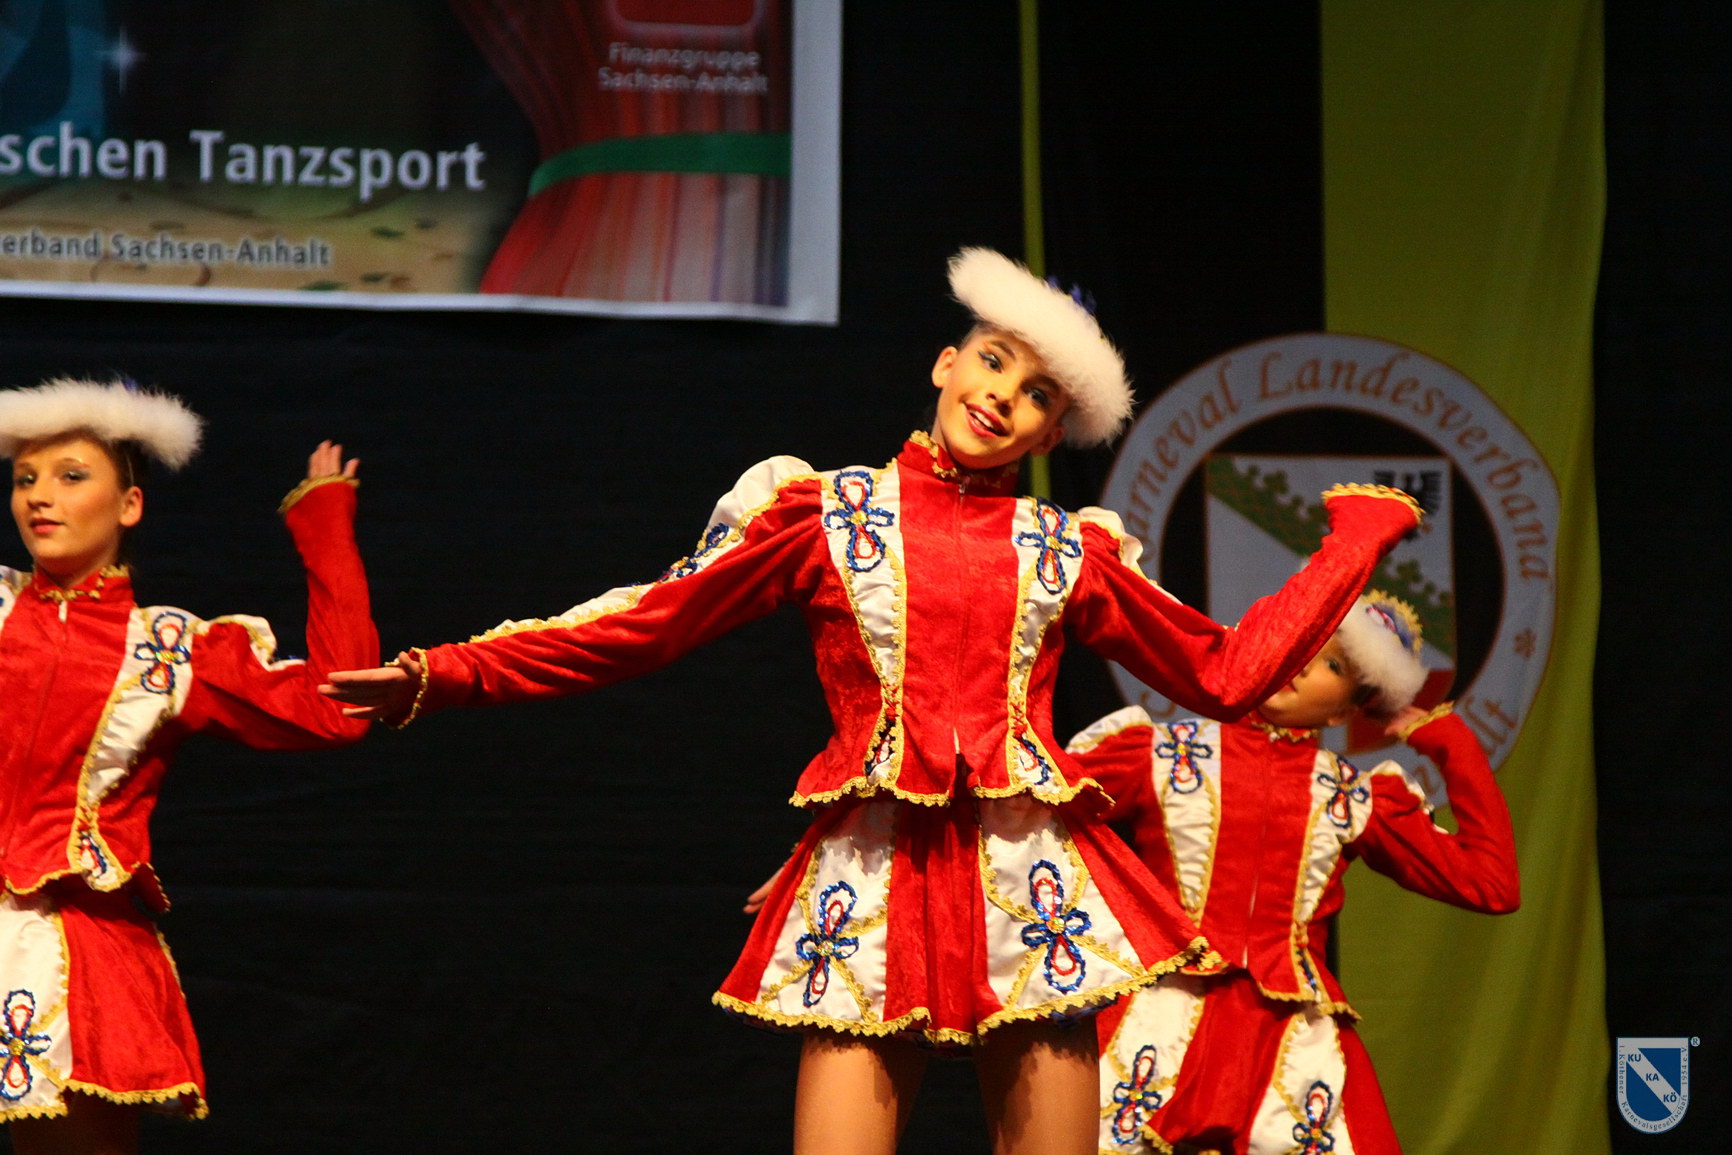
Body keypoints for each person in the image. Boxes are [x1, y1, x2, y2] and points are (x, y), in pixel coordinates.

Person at [322, 248, 1420, 1155]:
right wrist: (441, 674)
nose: (1003, 395)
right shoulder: (825, 513)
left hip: (1026, 875)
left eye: (1038, 393)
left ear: (1051, 434)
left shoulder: (1067, 548)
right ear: (947, 362)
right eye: (993, 361)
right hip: (872, 867)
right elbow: (643, 623)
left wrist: (1351, 545)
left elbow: (1224, 673)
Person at [0, 378, 377, 1154]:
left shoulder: (169, 651)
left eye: (71, 475)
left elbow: (337, 708)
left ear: (129, 504)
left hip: (79, 941)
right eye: (25, 477)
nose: (40, 495)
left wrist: (325, 527)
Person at [1065, 593, 1520, 1155]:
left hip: (1290, 1039)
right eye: (1295, 641)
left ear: (1343, 713)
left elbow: (1491, 882)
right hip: (1156, 1014)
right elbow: (1026, 809)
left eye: (1332, 664)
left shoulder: (1352, 797)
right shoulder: (1159, 753)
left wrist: (1446, 740)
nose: (1300, 665)